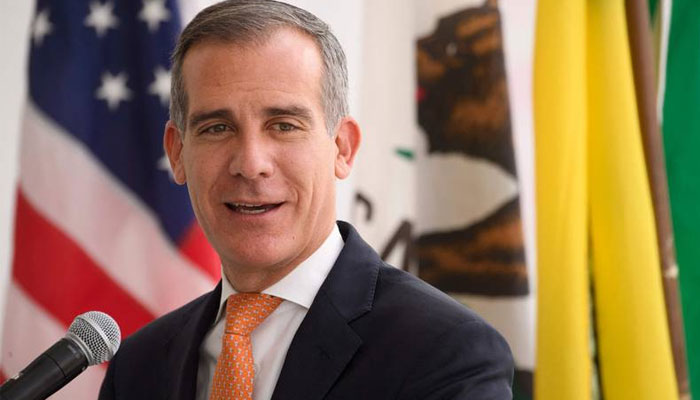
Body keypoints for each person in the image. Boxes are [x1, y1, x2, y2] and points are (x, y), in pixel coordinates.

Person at [98, 1, 514, 399]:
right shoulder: (139, 367)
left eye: (283, 125)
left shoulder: (445, 352)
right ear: (176, 152)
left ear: (342, 148)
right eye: (217, 128)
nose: (251, 163)